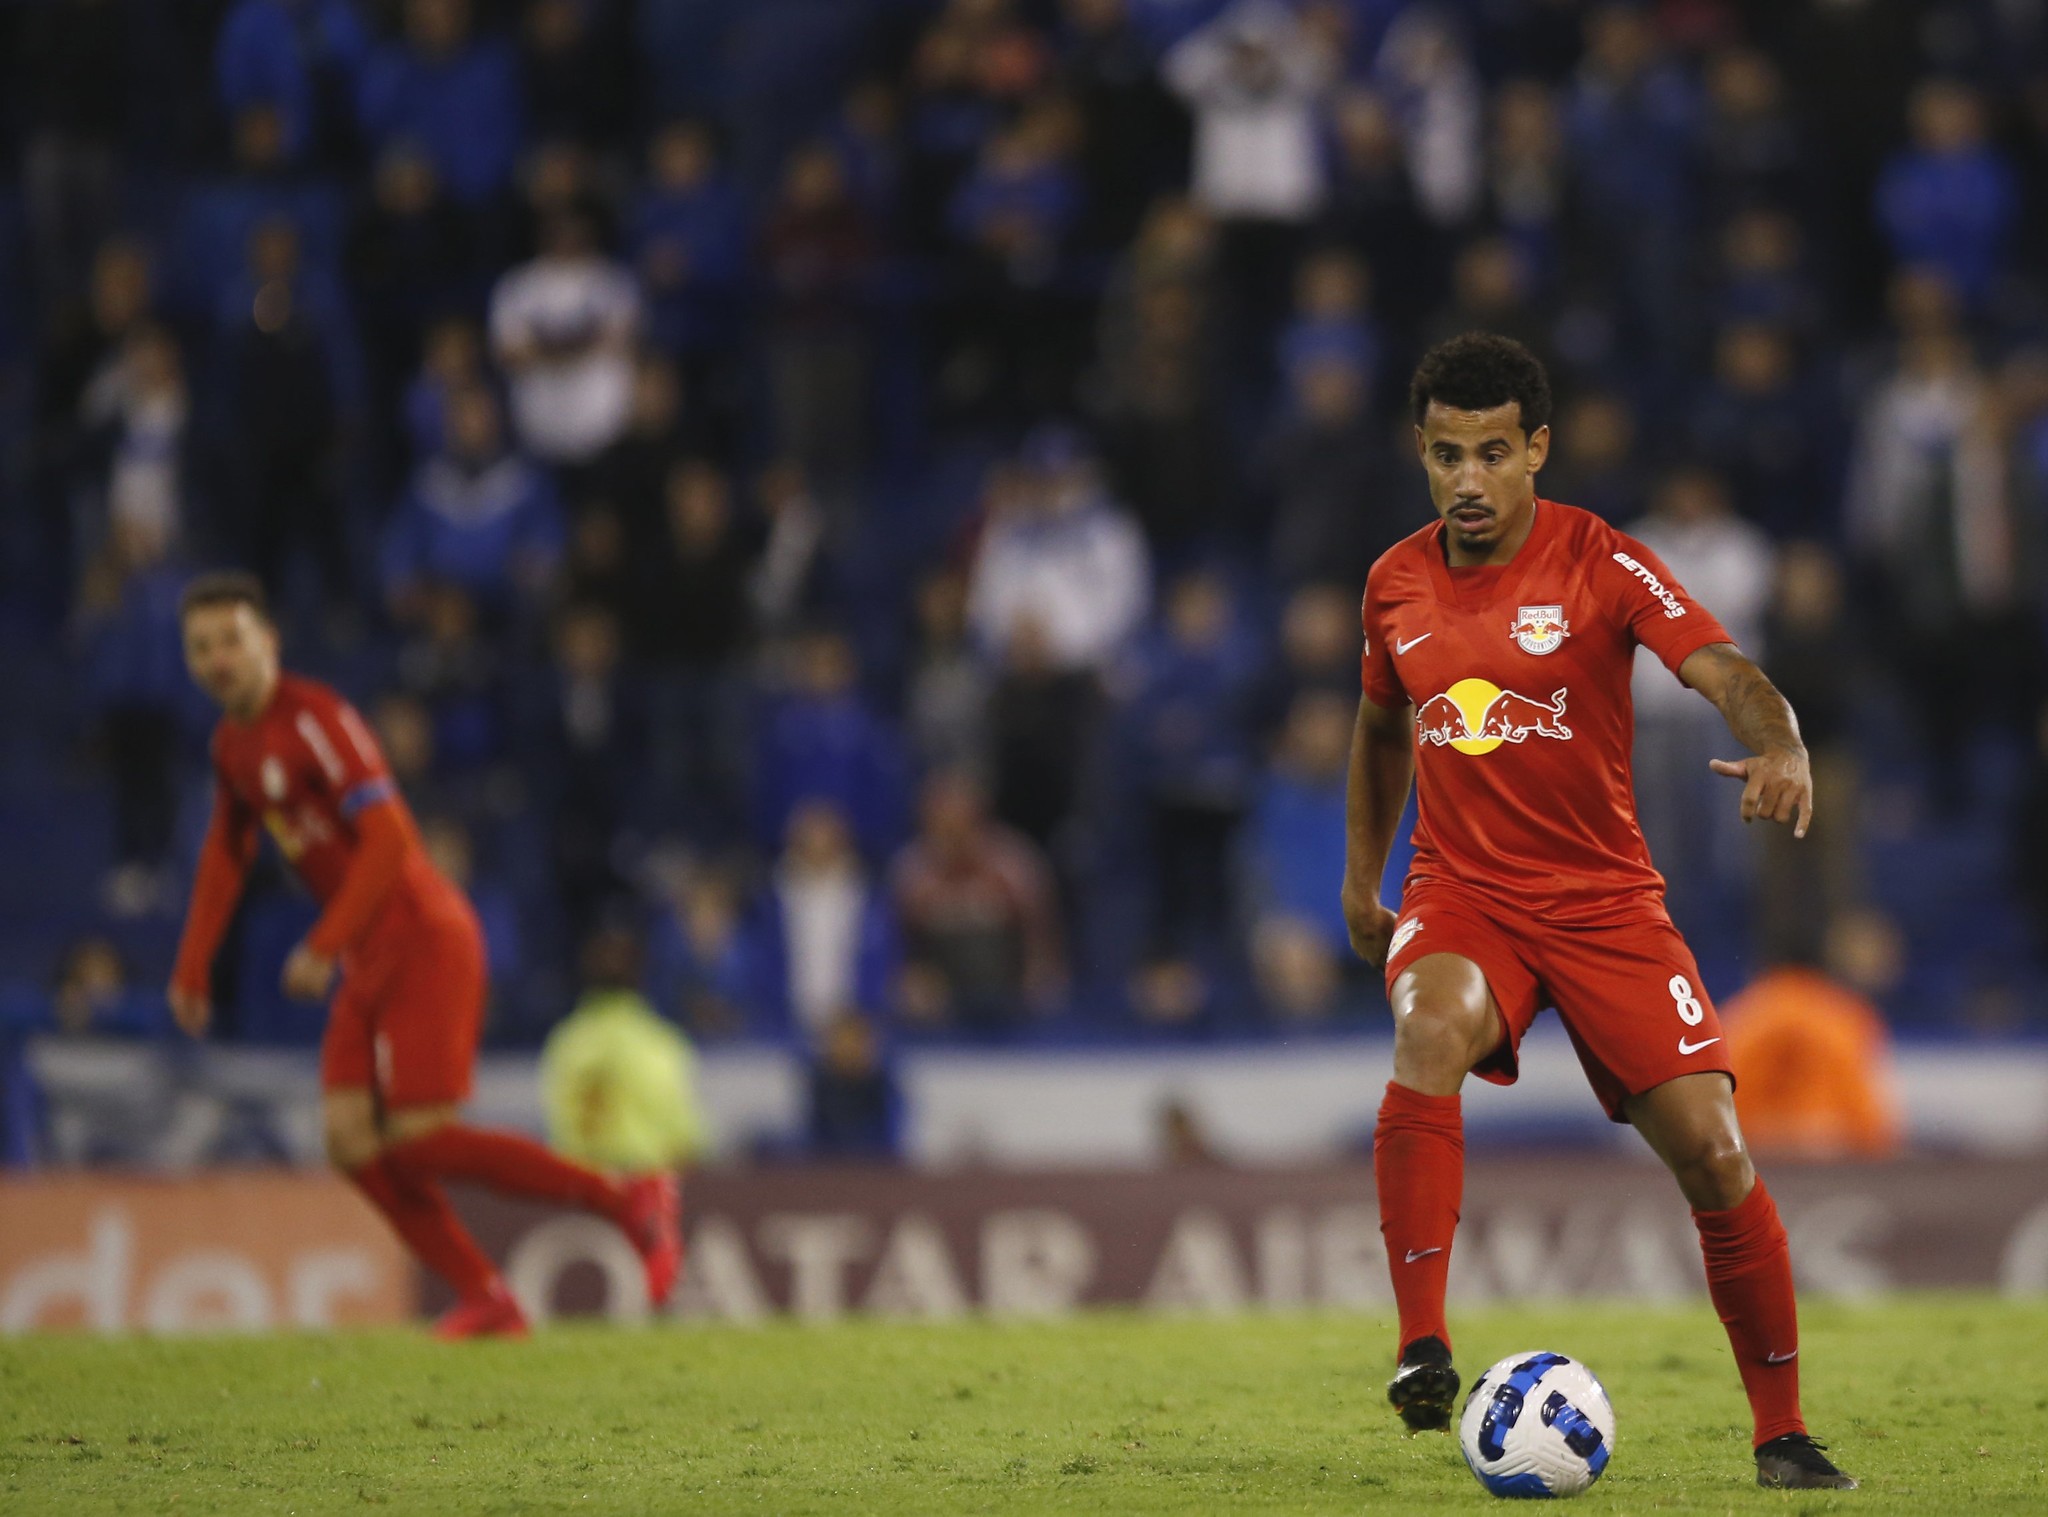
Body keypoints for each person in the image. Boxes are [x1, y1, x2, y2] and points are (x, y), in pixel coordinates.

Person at [1342, 334, 1852, 1489]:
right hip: (1459, 890)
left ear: (1534, 449)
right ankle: (1422, 1343)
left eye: (1486, 453)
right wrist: (1358, 876)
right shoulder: (1391, 582)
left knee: (1715, 1156)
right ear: (1418, 457)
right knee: (1426, 1026)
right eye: (1440, 455)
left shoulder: (1602, 561)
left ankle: (1781, 1432)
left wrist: (1779, 740)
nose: (1464, 480)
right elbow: (1380, 729)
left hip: (1603, 902)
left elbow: (1720, 666)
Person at [166, 572, 680, 1339]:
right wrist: (192, 961)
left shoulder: (317, 720)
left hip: (422, 933)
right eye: (201, 647)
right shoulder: (232, 745)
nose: (218, 659)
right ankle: (489, 1296)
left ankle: (626, 1195)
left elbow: (391, 839)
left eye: (231, 639)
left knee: (421, 1133)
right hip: (367, 951)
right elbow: (225, 852)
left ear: (268, 641)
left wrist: (323, 941)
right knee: (348, 1140)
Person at [541, 925, 710, 1177]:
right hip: (643, 1186)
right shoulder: (657, 1041)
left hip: (580, 1191)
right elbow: (684, 1139)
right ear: (642, 974)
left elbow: (559, 1129)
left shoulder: (566, 1042)